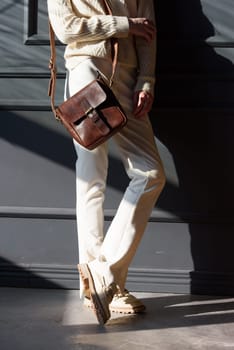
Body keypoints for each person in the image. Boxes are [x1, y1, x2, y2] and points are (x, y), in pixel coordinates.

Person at [47, 0, 166, 325]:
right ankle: (102, 286)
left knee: (151, 173)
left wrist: (147, 80)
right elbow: (66, 29)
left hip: (128, 81)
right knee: (91, 178)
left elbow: (148, 33)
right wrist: (123, 26)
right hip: (87, 70)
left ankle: (103, 275)